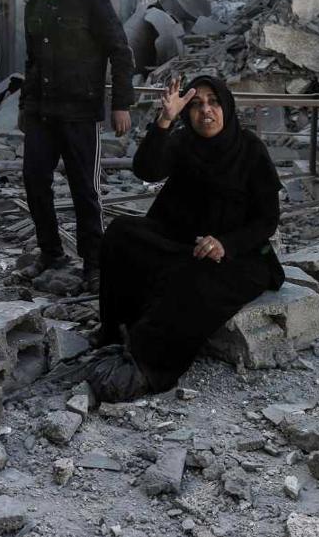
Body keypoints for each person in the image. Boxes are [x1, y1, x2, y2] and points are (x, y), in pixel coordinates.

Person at [87, 75, 285, 403]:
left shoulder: (250, 149)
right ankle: (113, 328)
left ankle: (148, 364)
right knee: (122, 233)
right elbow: (146, 170)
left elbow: (267, 220)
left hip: (239, 253)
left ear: (227, 106)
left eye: (213, 102)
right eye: (195, 105)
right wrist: (164, 120)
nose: (205, 111)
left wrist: (226, 244)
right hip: (182, 238)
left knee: (196, 277)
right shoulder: (183, 141)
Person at [18, 0, 135, 292]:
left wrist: (120, 104)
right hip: (41, 113)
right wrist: (25, 109)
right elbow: (33, 63)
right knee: (35, 182)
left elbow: (120, 51)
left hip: (80, 113)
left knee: (85, 189)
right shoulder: (33, 8)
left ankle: (94, 264)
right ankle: (51, 253)